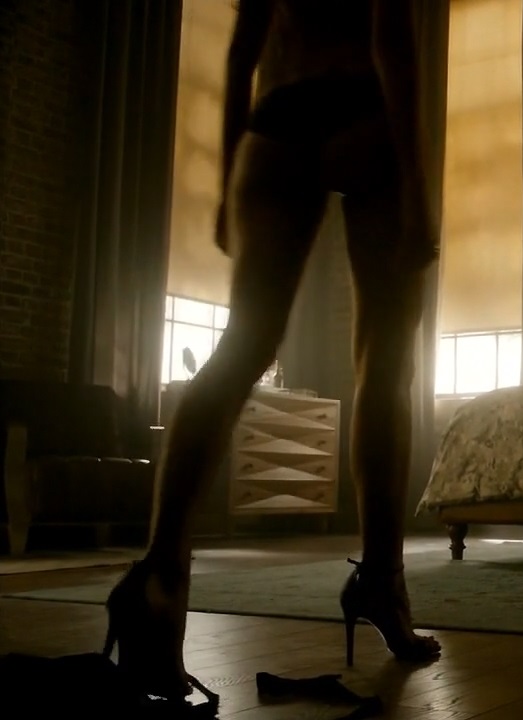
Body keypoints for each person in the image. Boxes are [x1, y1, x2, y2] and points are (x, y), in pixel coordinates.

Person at [102, 0, 440, 704]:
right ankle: (382, 581)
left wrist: (230, 173)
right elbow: (392, 35)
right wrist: (414, 181)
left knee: (243, 344)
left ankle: (159, 574)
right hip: (360, 101)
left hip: (278, 112)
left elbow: (240, 51)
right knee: (385, 361)